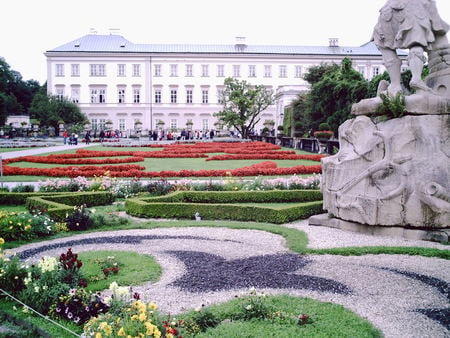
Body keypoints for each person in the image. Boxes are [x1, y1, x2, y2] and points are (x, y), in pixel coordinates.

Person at [372, 0, 449, 95]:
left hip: (387, 11)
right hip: (413, 8)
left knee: (384, 45)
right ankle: (416, 78)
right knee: (416, 42)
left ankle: (395, 84)